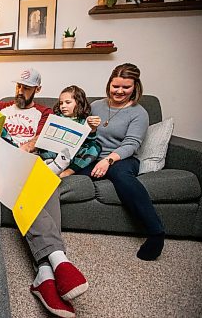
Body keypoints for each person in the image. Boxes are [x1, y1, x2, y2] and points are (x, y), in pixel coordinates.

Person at [0, 68, 89, 318]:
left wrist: (29, 145)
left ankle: (44, 273)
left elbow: (47, 138)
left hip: (32, 164)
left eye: (26, 87)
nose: (19, 91)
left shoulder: (45, 113)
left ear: (38, 90)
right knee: (29, 182)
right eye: (18, 86)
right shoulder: (1, 107)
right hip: (5, 163)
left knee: (48, 183)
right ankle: (58, 260)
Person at [76, 63, 165, 261]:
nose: (120, 91)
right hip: (93, 155)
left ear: (135, 87)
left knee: (122, 177)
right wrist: (87, 128)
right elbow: (85, 135)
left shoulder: (138, 112)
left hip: (122, 158)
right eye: (116, 86)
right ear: (109, 84)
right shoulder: (96, 106)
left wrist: (108, 160)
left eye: (126, 87)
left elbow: (131, 144)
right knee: (69, 172)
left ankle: (156, 232)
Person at [38, 85, 102, 178]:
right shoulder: (56, 117)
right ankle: (52, 165)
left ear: (79, 103)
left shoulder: (84, 121)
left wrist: (92, 129)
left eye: (68, 102)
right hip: (54, 153)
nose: (63, 106)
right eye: (61, 103)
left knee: (95, 147)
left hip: (73, 155)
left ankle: (68, 171)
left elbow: (89, 140)